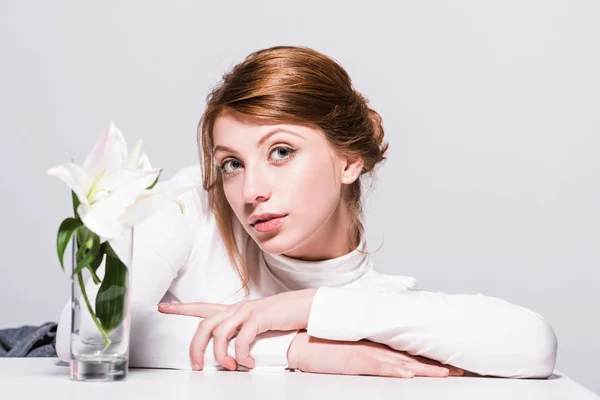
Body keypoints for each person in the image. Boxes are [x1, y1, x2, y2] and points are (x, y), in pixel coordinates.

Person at [55, 46, 557, 379]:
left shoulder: (374, 304)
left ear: (349, 160)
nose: (250, 190)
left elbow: (533, 347)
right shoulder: (192, 202)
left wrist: (300, 310)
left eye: (280, 152)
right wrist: (296, 349)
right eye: (232, 163)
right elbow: (82, 335)